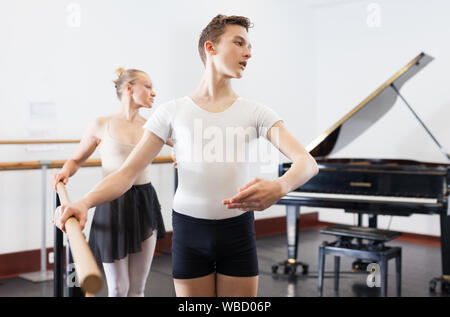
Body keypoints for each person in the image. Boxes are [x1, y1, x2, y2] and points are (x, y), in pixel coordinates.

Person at [54, 15, 318, 297]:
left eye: (250, 46)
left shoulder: (257, 113)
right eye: (239, 43)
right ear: (211, 48)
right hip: (189, 231)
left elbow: (306, 162)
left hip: (238, 231)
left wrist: (280, 186)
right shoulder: (171, 112)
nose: (248, 53)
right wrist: (84, 203)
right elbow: (126, 174)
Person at [52, 68, 166, 297]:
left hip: (145, 201)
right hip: (112, 202)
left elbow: (184, 146)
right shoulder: (101, 124)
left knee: (137, 288)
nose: (154, 92)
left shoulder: (152, 126)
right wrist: (65, 172)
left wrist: (181, 157)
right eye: (148, 86)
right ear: (129, 88)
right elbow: (76, 158)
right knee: (117, 287)